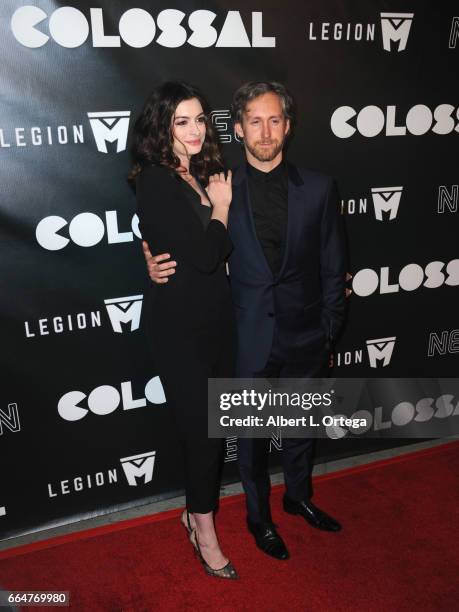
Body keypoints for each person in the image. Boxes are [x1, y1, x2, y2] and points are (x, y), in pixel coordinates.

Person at [143, 81, 347, 561]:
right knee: (251, 439)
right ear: (236, 129)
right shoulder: (217, 187)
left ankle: (299, 498)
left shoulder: (319, 187)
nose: (265, 130)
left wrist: (330, 330)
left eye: (275, 119)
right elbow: (178, 237)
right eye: (254, 120)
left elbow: (334, 265)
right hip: (243, 335)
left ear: (288, 127)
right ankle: (260, 519)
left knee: (300, 427)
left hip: (305, 333)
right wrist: (149, 259)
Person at [130, 81, 237, 579]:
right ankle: (202, 526)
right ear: (162, 127)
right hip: (179, 328)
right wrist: (220, 207)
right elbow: (206, 254)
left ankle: (196, 512)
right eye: (181, 122)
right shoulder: (155, 180)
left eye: (200, 120)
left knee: (214, 429)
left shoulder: (203, 172)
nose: (195, 131)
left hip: (218, 320)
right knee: (203, 435)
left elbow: (212, 258)